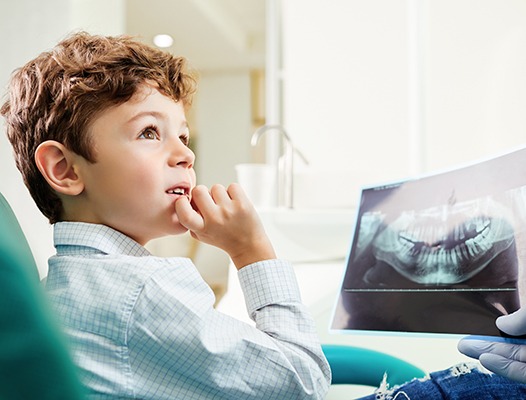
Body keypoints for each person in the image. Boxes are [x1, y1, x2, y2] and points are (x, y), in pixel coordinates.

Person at [0, 32, 331, 399]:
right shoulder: (140, 290)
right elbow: (303, 384)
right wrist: (251, 249)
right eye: (149, 132)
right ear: (65, 169)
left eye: (184, 137)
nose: (186, 156)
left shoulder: (72, 283)